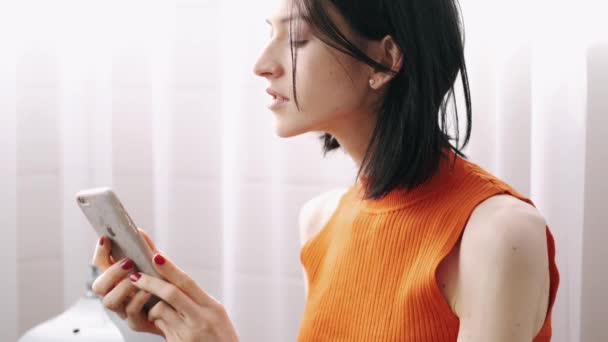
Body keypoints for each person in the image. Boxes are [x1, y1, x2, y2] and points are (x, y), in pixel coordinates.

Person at [91, 0, 560, 341]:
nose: (262, 65)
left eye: (295, 39)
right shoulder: (320, 221)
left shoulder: (497, 233)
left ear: (385, 60)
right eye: (269, 34)